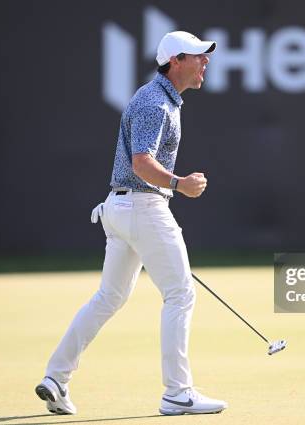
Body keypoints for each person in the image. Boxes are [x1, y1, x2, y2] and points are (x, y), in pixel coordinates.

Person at [35, 31, 227, 416]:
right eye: (197, 56)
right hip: (142, 207)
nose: (205, 62)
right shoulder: (157, 103)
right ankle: (177, 392)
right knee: (180, 294)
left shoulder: (162, 99)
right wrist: (179, 184)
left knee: (110, 297)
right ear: (175, 62)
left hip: (122, 209)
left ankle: (56, 377)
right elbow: (142, 162)